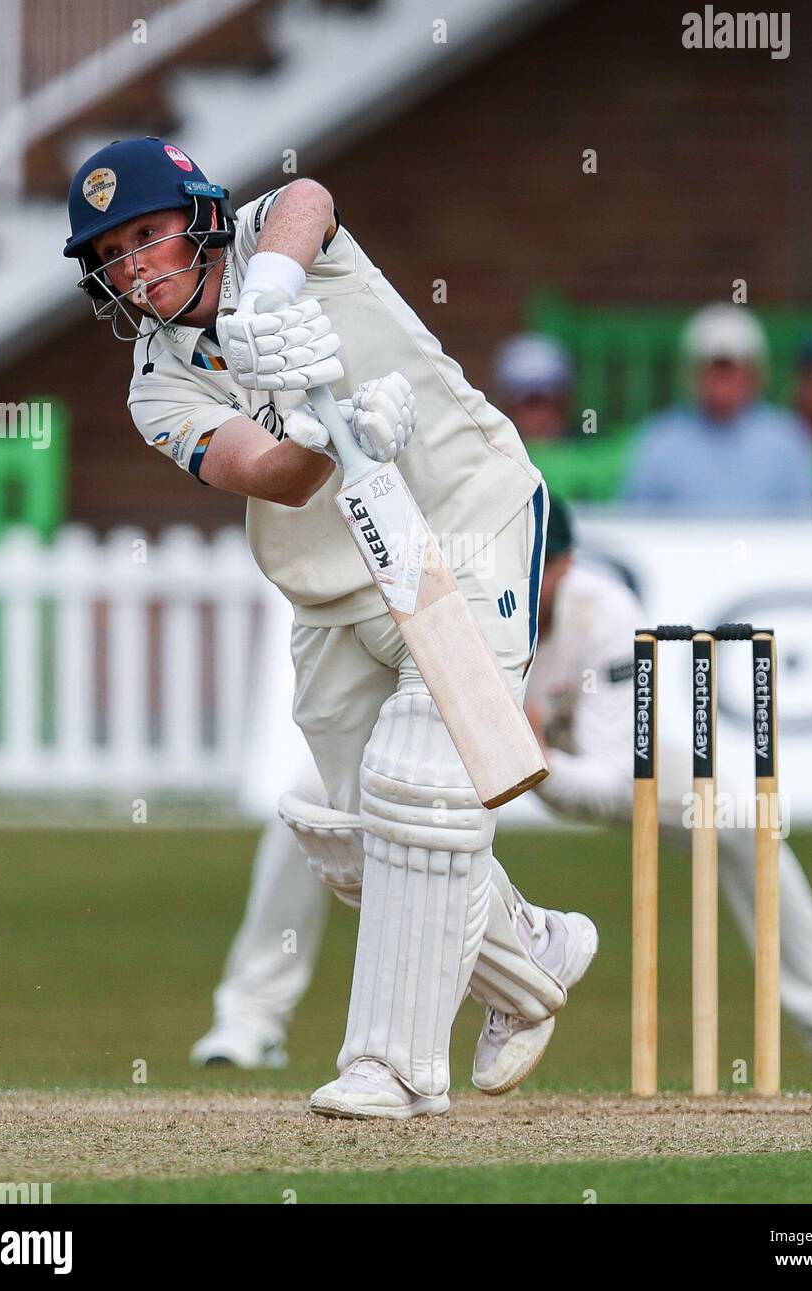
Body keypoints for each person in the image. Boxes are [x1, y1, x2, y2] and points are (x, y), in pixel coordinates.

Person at [62, 136, 597, 1118]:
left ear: (203, 216)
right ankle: (532, 959)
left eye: (148, 233)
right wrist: (312, 441)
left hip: (464, 523)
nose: (136, 264)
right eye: (113, 254)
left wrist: (270, 288)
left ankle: (390, 1070)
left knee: (422, 786)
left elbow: (308, 194)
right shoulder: (157, 385)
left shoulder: (276, 235)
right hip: (329, 582)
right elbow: (259, 473)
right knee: (355, 837)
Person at [191, 494, 812, 1075]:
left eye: (539, 564)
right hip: (437, 738)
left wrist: (531, 752)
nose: (523, 576)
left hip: (561, 747)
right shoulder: (435, 599)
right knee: (313, 800)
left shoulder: (603, 617)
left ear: (564, 565)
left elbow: (605, 785)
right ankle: (249, 1019)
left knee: (729, 813)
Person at [620, 303, 812, 511]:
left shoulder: (788, 441)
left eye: (731, 369)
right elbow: (637, 522)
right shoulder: (660, 442)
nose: (723, 381)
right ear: (693, 372)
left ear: (755, 373)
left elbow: (808, 528)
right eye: (714, 368)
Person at [492, 333, 575, 441]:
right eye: (533, 402)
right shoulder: (487, 456)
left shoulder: (590, 453)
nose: (545, 415)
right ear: (508, 407)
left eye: (558, 403)